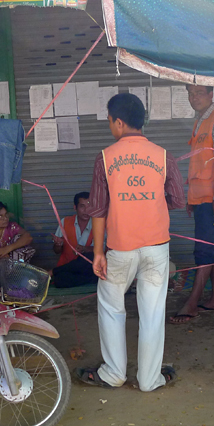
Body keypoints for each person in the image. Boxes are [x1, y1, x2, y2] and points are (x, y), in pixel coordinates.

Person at [75, 93, 185, 391]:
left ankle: (113, 373)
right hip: (156, 248)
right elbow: (177, 199)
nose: (111, 126)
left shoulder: (105, 158)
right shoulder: (163, 156)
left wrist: (98, 252)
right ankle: (150, 380)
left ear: (119, 122)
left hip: (120, 249)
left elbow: (97, 210)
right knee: (152, 313)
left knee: (111, 307)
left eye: (110, 121)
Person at [171, 85, 214, 324]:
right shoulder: (200, 122)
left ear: (211, 94)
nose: (194, 97)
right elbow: (198, 164)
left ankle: (192, 303)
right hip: (201, 198)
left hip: (213, 198)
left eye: (199, 92)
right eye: (190, 93)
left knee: (204, 250)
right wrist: (191, 198)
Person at [51, 191, 99, 288]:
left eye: (89, 206)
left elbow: (100, 250)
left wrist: (84, 249)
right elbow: (56, 251)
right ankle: (90, 280)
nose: (86, 210)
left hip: (88, 267)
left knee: (91, 257)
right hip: (67, 267)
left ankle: (53, 272)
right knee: (59, 280)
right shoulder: (65, 222)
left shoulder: (98, 224)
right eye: (82, 206)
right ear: (75, 207)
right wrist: (58, 245)